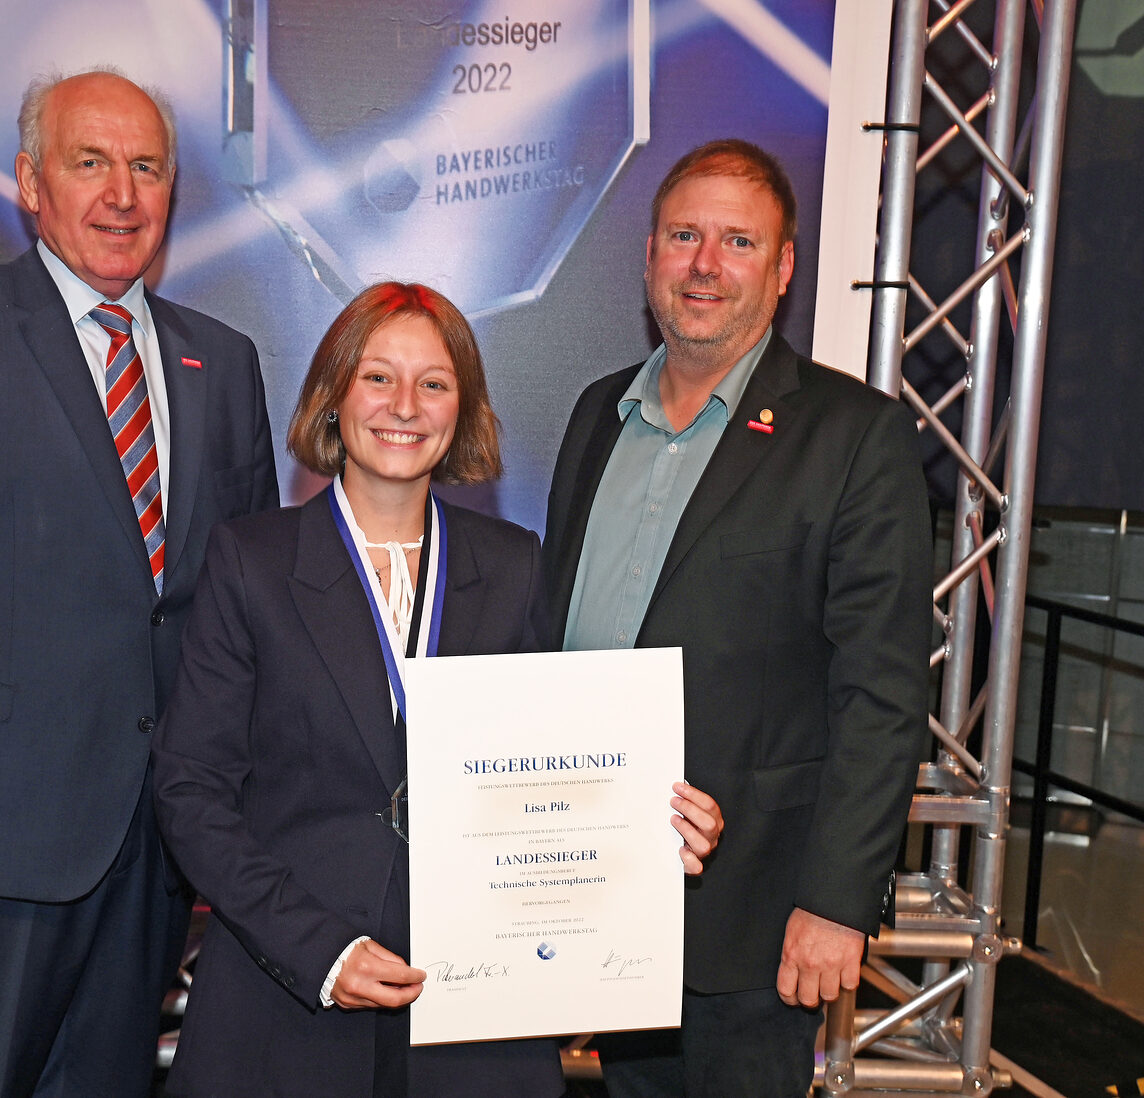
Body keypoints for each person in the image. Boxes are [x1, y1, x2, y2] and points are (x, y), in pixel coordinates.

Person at [151, 281, 723, 1098]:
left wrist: (654, 822)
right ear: (334, 394)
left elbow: (560, 774)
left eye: (435, 382)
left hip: (474, 1013)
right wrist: (322, 951)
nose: (405, 405)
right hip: (289, 1003)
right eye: (378, 376)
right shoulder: (252, 561)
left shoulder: (514, 564)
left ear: (464, 408)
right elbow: (190, 791)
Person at [0, 67, 278, 1098]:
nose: (123, 194)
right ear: (30, 183)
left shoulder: (227, 364)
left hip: (155, 853)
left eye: (147, 167)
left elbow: (236, 622)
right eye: (90, 163)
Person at [542, 140, 932, 1096]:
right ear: (648, 257)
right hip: (600, 888)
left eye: (738, 242)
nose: (705, 265)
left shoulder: (855, 437)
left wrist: (835, 902)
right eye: (684, 236)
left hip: (756, 915)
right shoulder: (598, 413)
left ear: (784, 266)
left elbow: (882, 692)